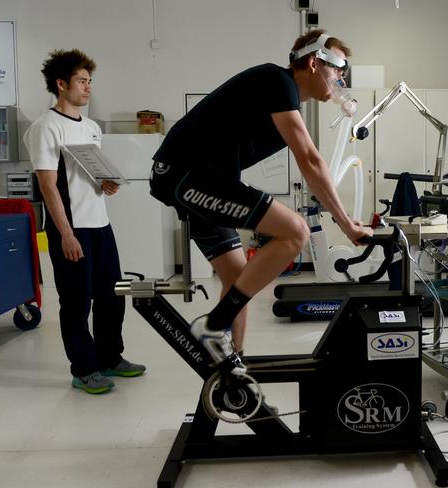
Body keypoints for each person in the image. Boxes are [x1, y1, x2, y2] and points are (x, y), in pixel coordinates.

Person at [149, 30, 370, 375]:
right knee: (295, 233)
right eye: (339, 68)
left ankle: (232, 368)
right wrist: (345, 223)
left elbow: (309, 159)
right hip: (185, 176)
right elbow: (309, 159)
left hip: (203, 179)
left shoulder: (284, 95)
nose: (342, 78)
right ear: (313, 62)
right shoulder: (276, 80)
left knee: (241, 277)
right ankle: (212, 327)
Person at [23, 49, 146, 394]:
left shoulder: (91, 128)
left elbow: (86, 176)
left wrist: (104, 184)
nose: (88, 88)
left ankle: (110, 357)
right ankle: (84, 368)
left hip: (100, 225)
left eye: (89, 81)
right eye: (81, 81)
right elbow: (48, 185)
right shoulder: (45, 128)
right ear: (61, 84)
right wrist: (65, 234)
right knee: (77, 301)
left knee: (112, 295)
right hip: (70, 229)